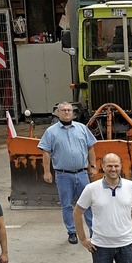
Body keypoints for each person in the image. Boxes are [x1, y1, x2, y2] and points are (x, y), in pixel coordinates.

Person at [38, 101, 96, 244]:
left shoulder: (82, 129)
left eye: (69, 110)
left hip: (82, 174)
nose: (66, 112)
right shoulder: (51, 132)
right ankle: (72, 232)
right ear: (58, 113)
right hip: (63, 175)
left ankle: (94, 232)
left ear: (73, 113)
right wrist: (47, 171)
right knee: (66, 205)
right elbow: (46, 152)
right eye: (63, 110)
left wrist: (93, 165)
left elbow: (90, 148)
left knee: (88, 203)